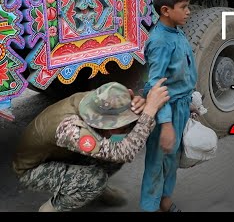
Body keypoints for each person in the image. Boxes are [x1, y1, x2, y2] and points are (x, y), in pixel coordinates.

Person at [12, 79, 170, 212]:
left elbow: (122, 140)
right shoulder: (70, 129)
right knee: (97, 178)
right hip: (33, 169)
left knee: (117, 145)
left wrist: (138, 107)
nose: (125, 127)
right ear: (102, 121)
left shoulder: (97, 100)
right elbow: (124, 152)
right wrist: (149, 111)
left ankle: (91, 188)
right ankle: (53, 207)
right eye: (121, 123)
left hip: (64, 153)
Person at [140, 0, 198, 212]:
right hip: (166, 110)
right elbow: (156, 84)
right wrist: (165, 124)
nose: (188, 11)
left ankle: (164, 200)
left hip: (181, 107)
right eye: (183, 7)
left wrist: (191, 101)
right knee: (156, 162)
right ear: (166, 10)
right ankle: (149, 207)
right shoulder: (160, 42)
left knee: (172, 159)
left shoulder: (176, 31)